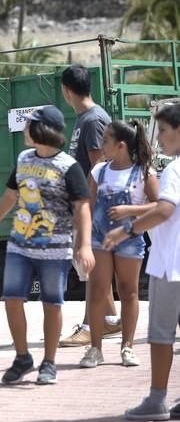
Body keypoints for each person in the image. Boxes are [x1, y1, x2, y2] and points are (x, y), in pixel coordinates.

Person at [0, 106, 94, 385]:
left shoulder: (69, 166)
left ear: (42, 129)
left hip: (55, 249)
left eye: (29, 125)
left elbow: (82, 207)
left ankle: (49, 362)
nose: (24, 130)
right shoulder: (22, 159)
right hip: (20, 245)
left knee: (52, 304)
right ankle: (22, 358)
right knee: (12, 300)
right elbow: (10, 195)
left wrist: (85, 245)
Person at [104, 103, 180, 421]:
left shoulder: (174, 170)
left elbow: (164, 210)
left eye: (163, 131)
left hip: (171, 265)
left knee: (161, 336)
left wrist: (127, 230)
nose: (158, 138)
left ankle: (157, 399)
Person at [79, 120, 159, 369]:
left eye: (105, 141)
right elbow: (87, 207)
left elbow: (161, 205)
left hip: (130, 239)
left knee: (128, 291)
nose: (101, 145)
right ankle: (95, 348)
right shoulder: (98, 171)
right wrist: (81, 241)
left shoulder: (144, 172)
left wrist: (129, 210)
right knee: (98, 291)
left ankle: (128, 346)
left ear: (121, 146)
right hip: (100, 239)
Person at [60, 63, 121, 347]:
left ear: (67, 91)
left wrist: (83, 205)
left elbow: (99, 165)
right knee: (92, 266)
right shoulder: (85, 119)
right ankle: (109, 319)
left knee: (89, 263)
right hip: (86, 204)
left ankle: (90, 324)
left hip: (92, 207)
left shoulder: (93, 120)